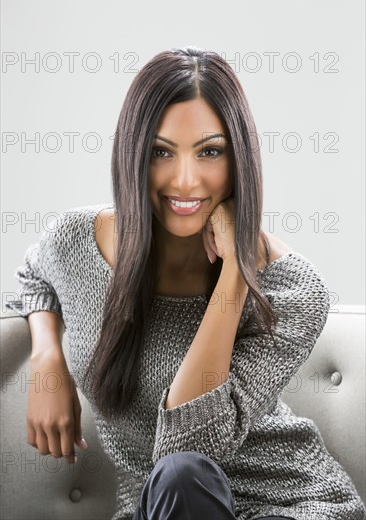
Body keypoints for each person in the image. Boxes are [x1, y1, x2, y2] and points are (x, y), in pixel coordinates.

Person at [6, 46, 366, 520]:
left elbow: (189, 448)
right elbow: (36, 275)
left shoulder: (294, 291)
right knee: (177, 484)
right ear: (133, 155)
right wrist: (47, 358)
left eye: (210, 152)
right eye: (161, 152)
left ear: (239, 159)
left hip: (291, 505)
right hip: (163, 508)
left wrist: (236, 271)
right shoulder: (80, 242)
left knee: (182, 472)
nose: (186, 180)